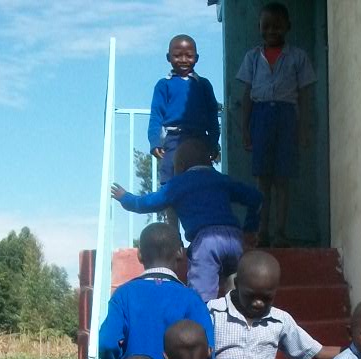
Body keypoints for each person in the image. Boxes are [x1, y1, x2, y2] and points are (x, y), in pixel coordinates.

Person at [112, 139, 261, 302]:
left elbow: (148, 203)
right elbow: (256, 197)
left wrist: (126, 198)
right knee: (235, 282)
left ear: (180, 166)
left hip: (206, 241)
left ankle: (202, 316)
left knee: (201, 296)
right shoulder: (221, 179)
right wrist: (250, 229)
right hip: (234, 238)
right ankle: (237, 311)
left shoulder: (178, 184)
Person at [211, 250, 338, 359]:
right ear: (237, 284)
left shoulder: (279, 321)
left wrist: (356, 351)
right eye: (250, 295)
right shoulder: (213, 312)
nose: (258, 303)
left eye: (266, 298)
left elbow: (318, 352)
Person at [236, 1, 316, 246]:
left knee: (283, 178)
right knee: (263, 179)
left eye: (278, 26)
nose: (272, 31)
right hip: (261, 117)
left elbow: (304, 95)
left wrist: (303, 129)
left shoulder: (298, 57)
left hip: (286, 117)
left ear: (288, 27)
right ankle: (262, 232)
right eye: (267, 26)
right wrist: (245, 128)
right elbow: (247, 95)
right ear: (259, 27)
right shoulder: (252, 57)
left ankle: (280, 232)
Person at [97, 223, 213, 359]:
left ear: (139, 255)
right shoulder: (192, 299)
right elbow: (208, 351)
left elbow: (107, 344)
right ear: (180, 253)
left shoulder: (123, 295)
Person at [148, 35, 220, 189]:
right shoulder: (163, 85)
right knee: (170, 182)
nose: (183, 60)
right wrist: (155, 142)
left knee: (202, 181)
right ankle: (170, 206)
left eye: (189, 56)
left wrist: (214, 142)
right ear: (168, 57)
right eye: (177, 55)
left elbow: (212, 116)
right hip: (173, 139)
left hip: (199, 140)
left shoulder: (203, 85)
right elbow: (156, 115)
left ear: (197, 58)